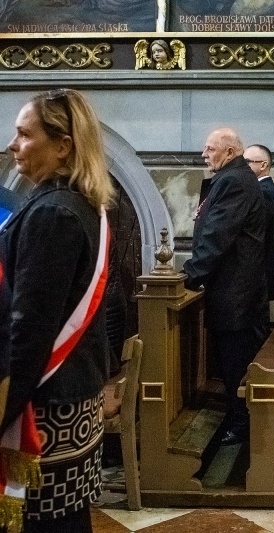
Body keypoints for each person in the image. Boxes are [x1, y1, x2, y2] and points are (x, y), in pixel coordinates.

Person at [1, 88, 115, 532]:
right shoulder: (81, 205)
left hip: (45, 401)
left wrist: (5, 408)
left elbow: (30, 325)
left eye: (24, 135)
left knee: (42, 522)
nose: (13, 145)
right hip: (73, 392)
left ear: (63, 144)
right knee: (66, 517)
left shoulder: (54, 214)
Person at [183, 128, 268, 446]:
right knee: (232, 359)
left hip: (236, 293)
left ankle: (241, 423)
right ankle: (237, 418)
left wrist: (191, 274)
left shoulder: (233, 181)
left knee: (236, 361)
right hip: (235, 290)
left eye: (210, 149)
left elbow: (218, 235)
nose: (204, 154)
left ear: (230, 152)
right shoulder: (235, 178)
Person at [243, 143, 274, 346]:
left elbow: (257, 238)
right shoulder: (262, 190)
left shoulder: (263, 192)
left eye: (248, 161)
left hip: (257, 277)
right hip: (259, 279)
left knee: (255, 335)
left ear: (263, 165)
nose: (244, 166)